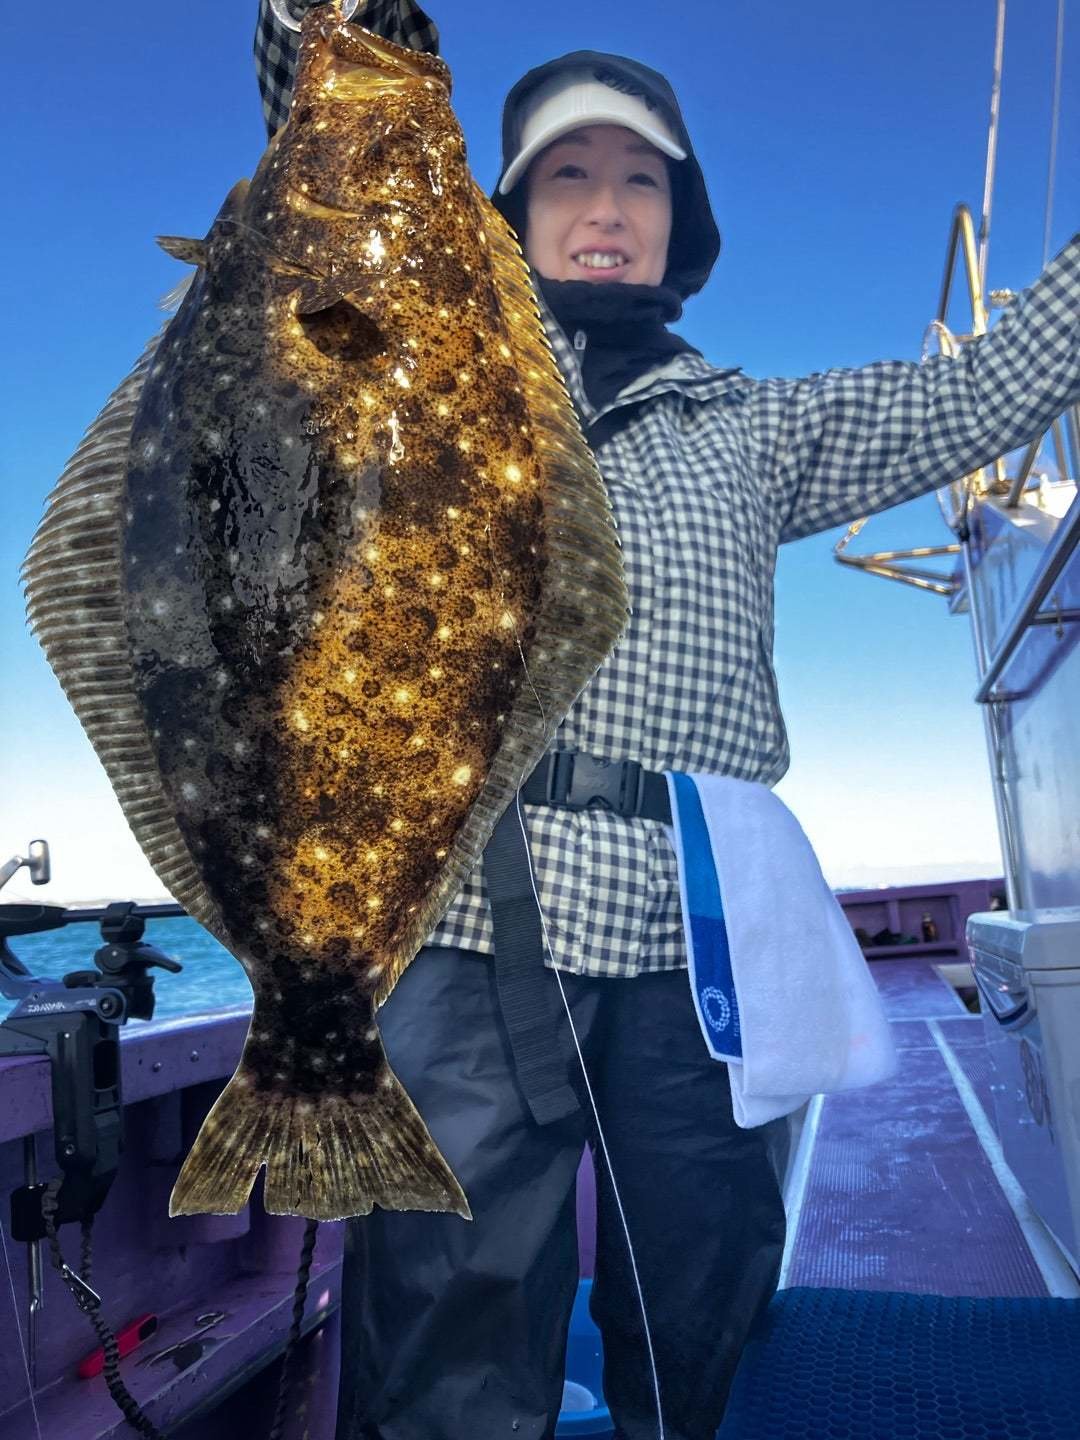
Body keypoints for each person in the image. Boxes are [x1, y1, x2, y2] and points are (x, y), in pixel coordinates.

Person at [255, 5, 1080, 1438]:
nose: (605, 208)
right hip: (471, 907)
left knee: (704, 1285)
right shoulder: (421, 373)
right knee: (449, 1304)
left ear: (678, 223)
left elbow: (989, 390)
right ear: (512, 215)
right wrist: (322, 25)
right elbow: (329, 180)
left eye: (640, 180)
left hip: (708, 921)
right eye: (567, 176)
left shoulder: (758, 428)